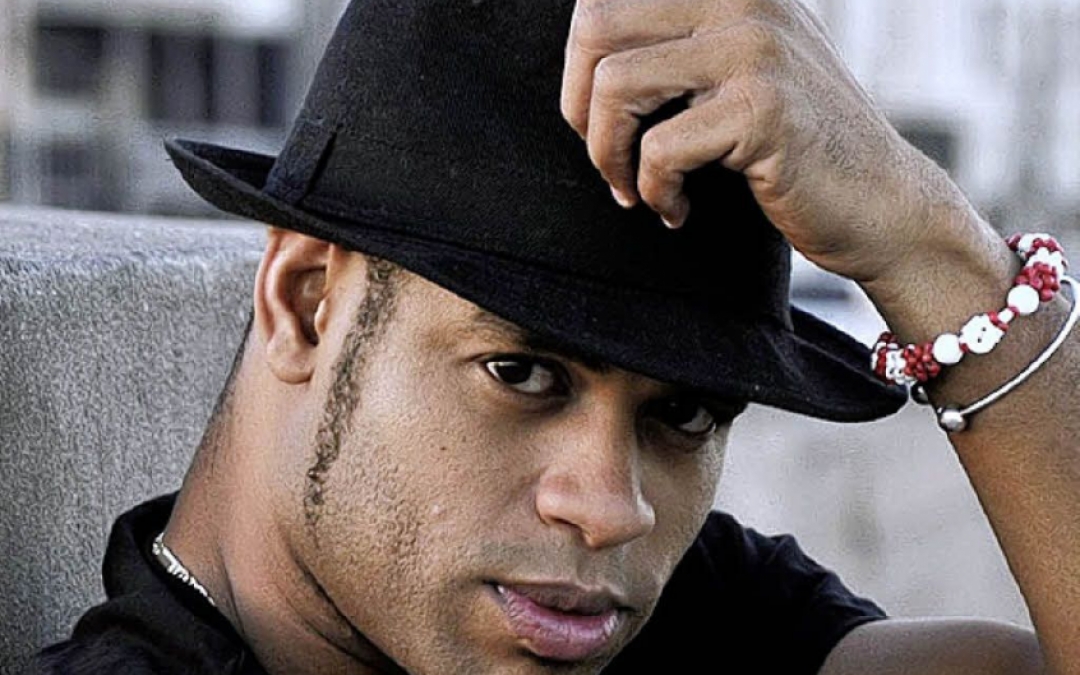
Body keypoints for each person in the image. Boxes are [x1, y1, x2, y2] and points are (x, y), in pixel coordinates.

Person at [31, 0, 1080, 673]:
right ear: (307, 303)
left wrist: (939, 254)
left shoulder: (675, 622)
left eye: (683, 413)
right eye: (522, 371)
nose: (611, 508)